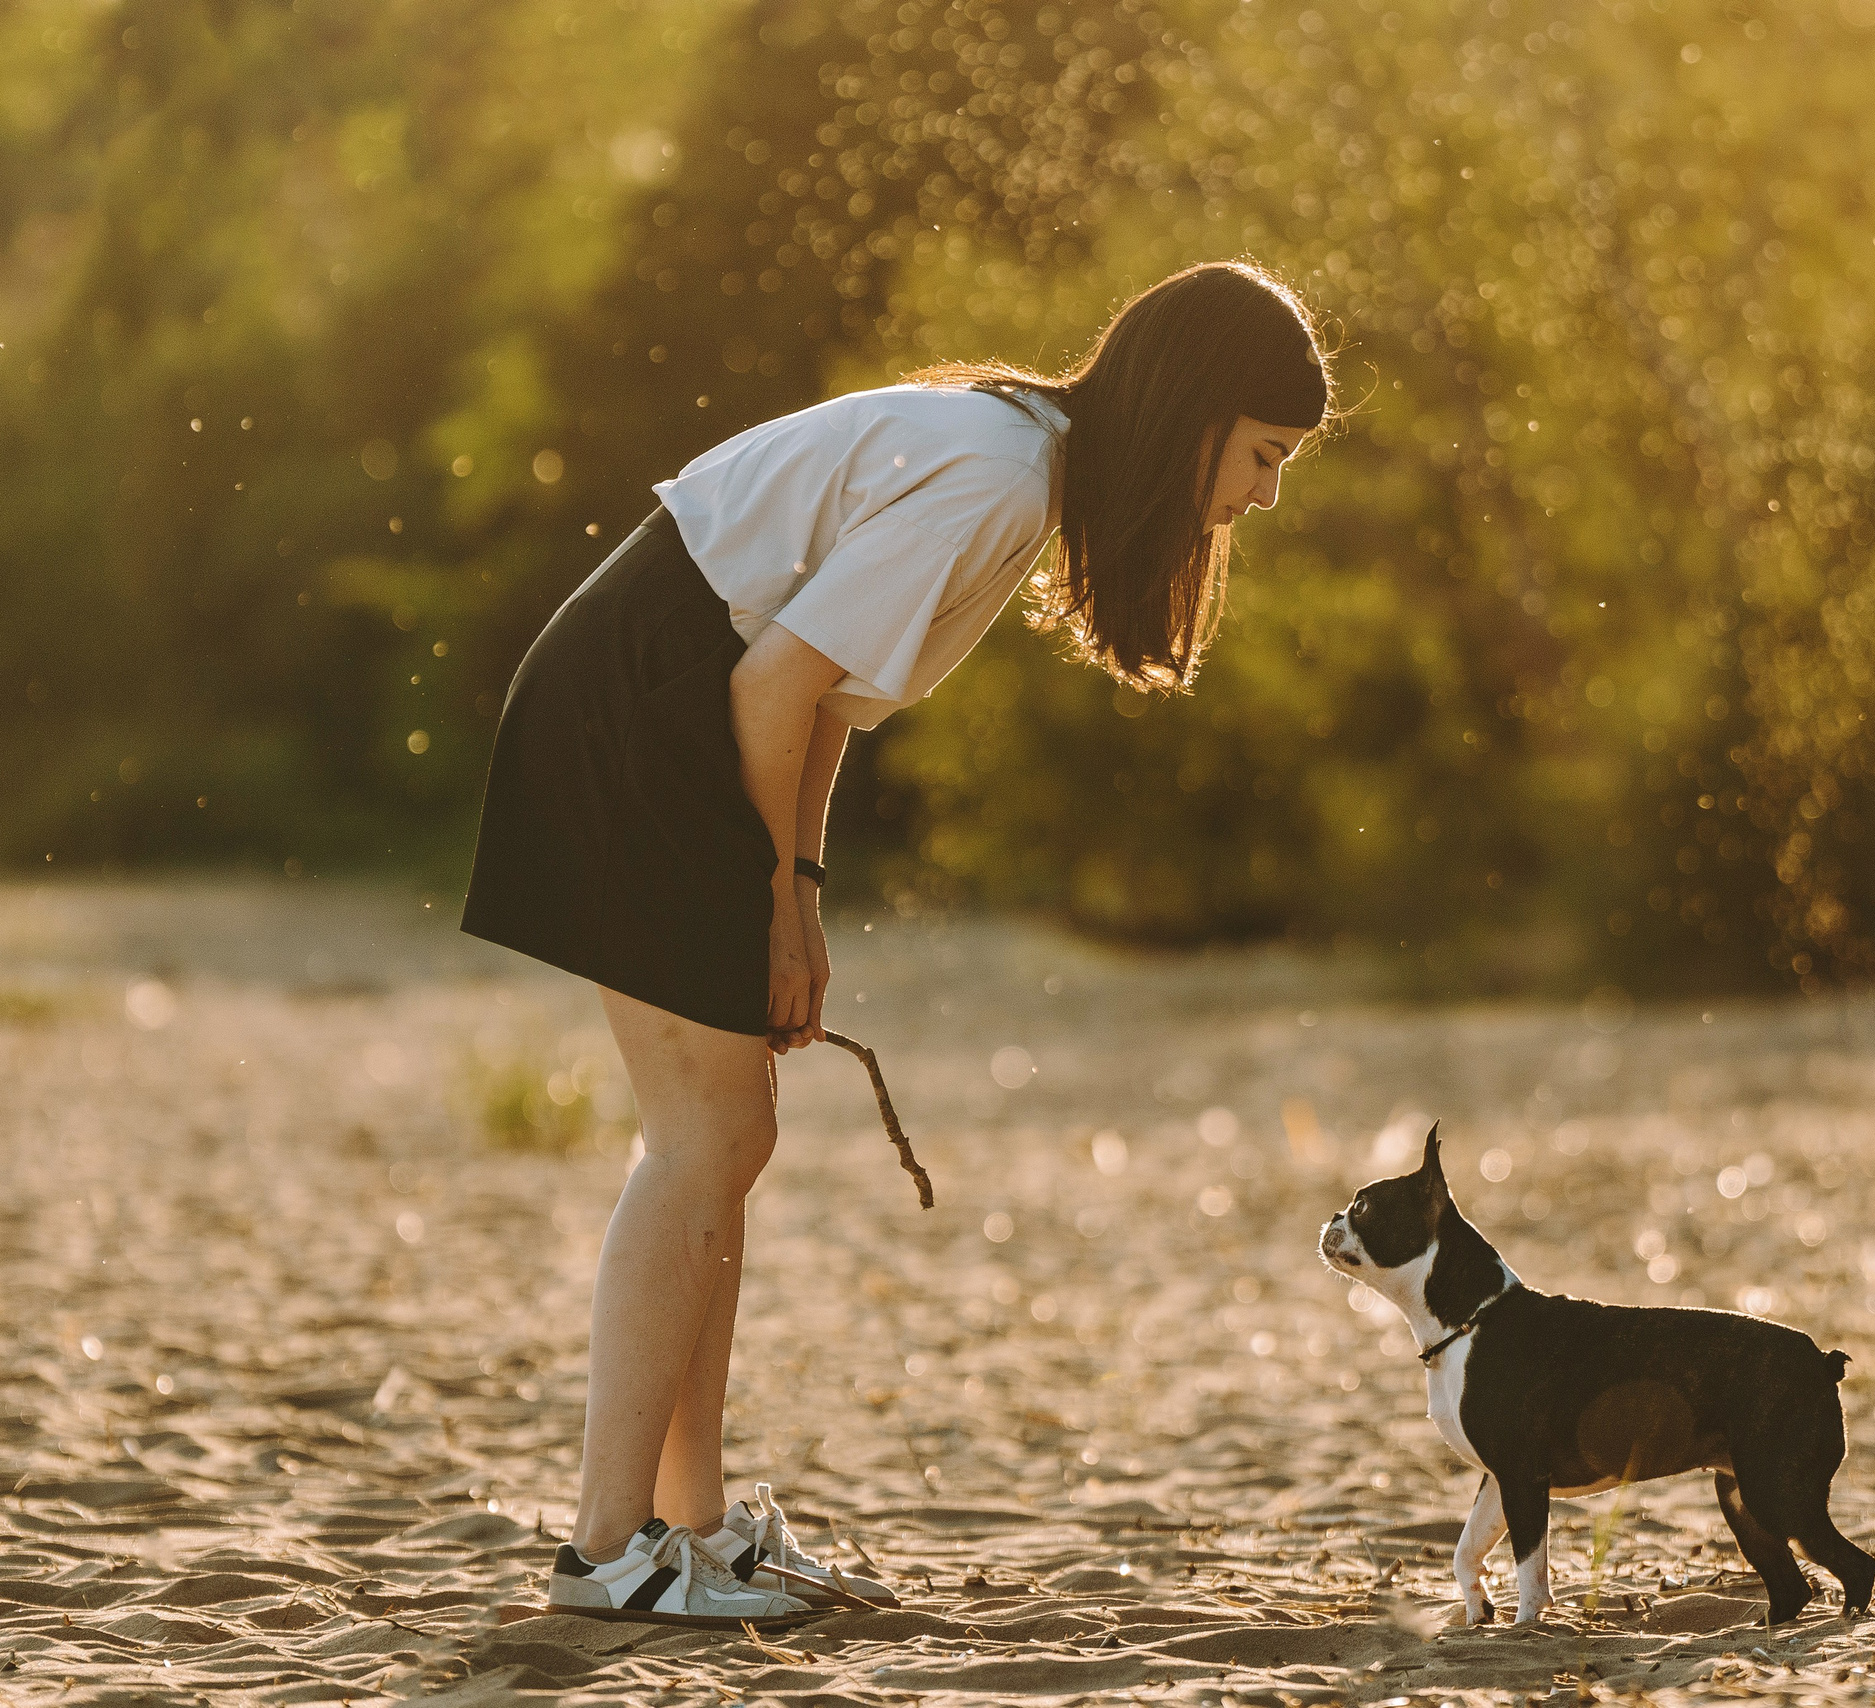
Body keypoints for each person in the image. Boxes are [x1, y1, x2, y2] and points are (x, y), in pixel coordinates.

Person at [459, 260, 1330, 1626]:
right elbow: (768, 687)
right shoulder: (998, 473)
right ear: (1195, 413)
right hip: (641, 704)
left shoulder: (1025, 465)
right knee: (706, 1136)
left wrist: (798, 897)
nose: (1265, 496)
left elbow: (823, 703)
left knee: (727, 1136)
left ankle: (692, 1532)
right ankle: (606, 1552)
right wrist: (772, 904)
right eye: (1264, 455)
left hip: (677, 701)